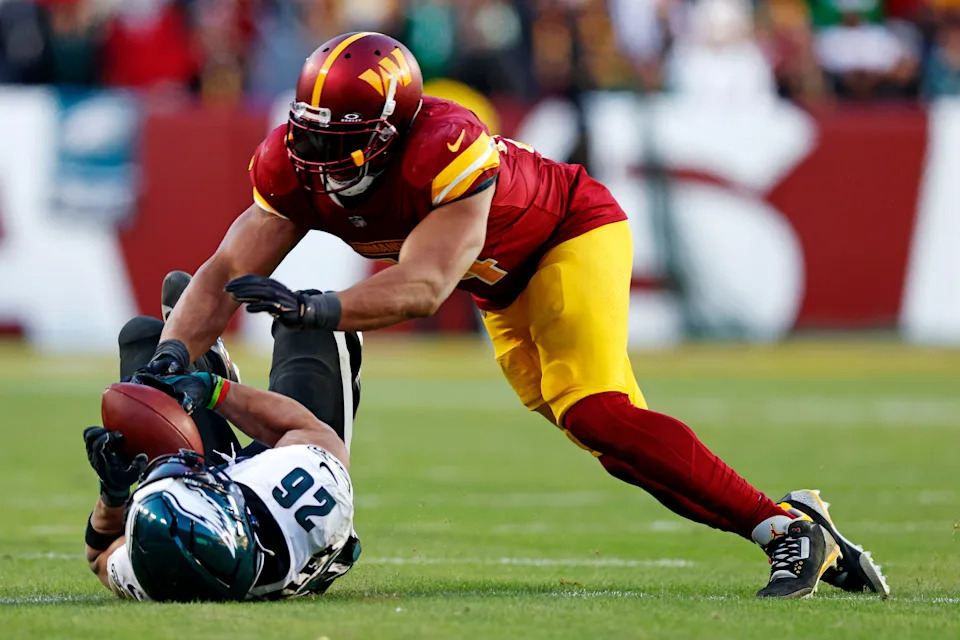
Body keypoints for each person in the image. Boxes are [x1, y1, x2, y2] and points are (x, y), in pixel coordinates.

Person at [142, 32, 887, 598]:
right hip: (499, 286)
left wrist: (317, 305)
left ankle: (784, 529)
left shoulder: (445, 147)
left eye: (340, 144)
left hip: (568, 234)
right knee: (608, 440)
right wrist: (169, 359)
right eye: (310, 137)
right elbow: (225, 272)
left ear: (390, 132)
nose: (318, 160)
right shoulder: (294, 162)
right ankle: (793, 523)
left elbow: (425, 286)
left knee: (600, 412)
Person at [83, 272, 362, 601]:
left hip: (235, 512)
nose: (182, 465)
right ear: (224, 496)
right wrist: (214, 391)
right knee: (311, 321)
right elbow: (307, 429)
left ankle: (203, 360)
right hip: (279, 484)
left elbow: (99, 555)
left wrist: (113, 495)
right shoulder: (300, 496)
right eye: (191, 479)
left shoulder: (158, 570)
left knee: (141, 340)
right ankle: (210, 372)